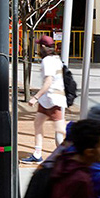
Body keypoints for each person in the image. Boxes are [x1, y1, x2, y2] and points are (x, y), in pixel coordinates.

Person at [21, 35, 66, 164]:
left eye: (39, 45)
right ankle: (37, 154)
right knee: (38, 123)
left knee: (60, 129)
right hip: (48, 100)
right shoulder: (56, 59)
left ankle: (75, 152)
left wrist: (35, 97)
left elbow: (48, 82)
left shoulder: (47, 61)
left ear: (43, 47)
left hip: (52, 99)